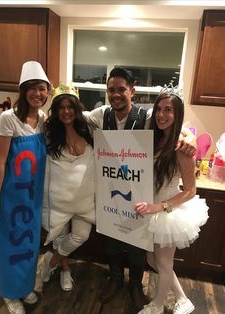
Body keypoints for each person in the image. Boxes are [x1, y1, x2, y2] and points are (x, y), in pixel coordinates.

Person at [84, 67, 197, 311]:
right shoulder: (100, 114)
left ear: (132, 91)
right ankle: (115, 279)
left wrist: (190, 137)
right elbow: (76, 116)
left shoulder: (145, 117)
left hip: (142, 196)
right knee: (111, 242)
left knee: (138, 247)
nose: (116, 94)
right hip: (111, 192)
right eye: (111, 90)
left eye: (121, 90)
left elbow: (174, 124)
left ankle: (135, 285)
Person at [135, 91, 209, 314]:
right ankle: (182, 299)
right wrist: (189, 132)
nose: (161, 114)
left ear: (177, 114)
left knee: (164, 263)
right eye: (159, 108)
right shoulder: (157, 137)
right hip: (152, 207)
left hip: (169, 209)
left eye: (168, 110)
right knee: (152, 258)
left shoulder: (182, 148)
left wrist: (160, 207)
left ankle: (157, 305)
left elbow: (190, 190)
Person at [0, 61, 50, 314]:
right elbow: (0, 163)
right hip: (10, 197)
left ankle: (23, 287)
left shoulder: (43, 119)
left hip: (32, 198)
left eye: (43, 89)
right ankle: (9, 293)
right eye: (34, 88)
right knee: (9, 244)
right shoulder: (8, 118)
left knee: (28, 245)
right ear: (24, 90)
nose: (39, 94)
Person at [41, 85, 95, 292]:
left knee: (81, 236)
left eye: (70, 106)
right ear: (55, 110)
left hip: (84, 201)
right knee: (60, 238)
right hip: (58, 201)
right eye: (61, 107)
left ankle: (51, 262)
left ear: (77, 108)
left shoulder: (89, 129)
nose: (66, 111)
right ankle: (64, 269)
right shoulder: (49, 133)